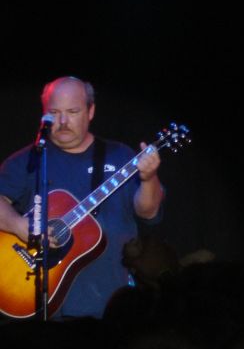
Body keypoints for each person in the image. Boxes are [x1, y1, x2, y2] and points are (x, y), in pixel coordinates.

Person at [0, 76, 165, 319]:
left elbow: (148, 212)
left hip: (109, 301)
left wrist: (149, 178)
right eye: (54, 113)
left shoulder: (120, 155)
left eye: (73, 112)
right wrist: (20, 226)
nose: (63, 121)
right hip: (41, 301)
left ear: (91, 111)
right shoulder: (28, 160)